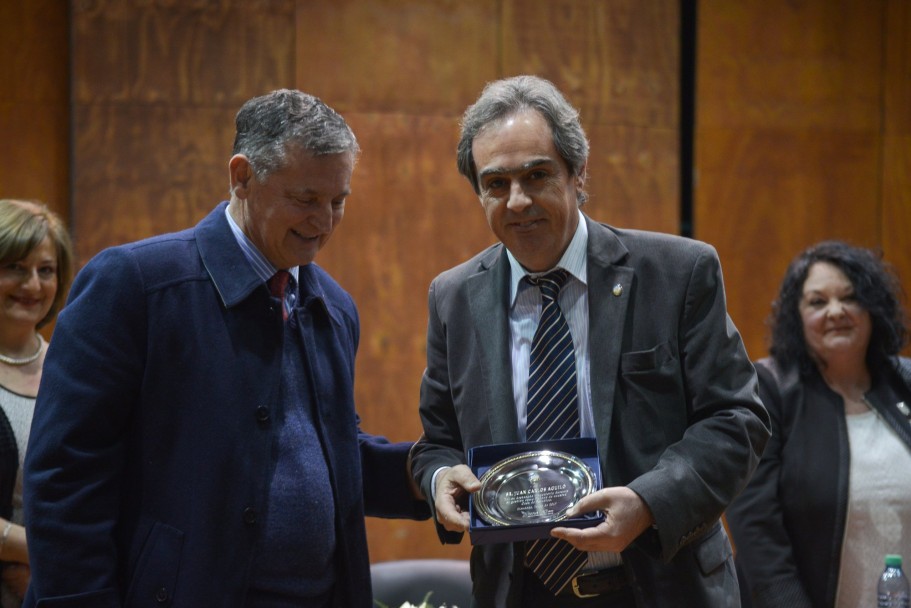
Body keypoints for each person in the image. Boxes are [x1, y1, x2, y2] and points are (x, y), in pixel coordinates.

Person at [22, 89, 429, 608]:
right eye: (305, 199)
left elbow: (330, 454)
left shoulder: (333, 306)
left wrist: (429, 475)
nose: (324, 222)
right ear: (242, 177)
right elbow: (65, 479)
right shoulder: (134, 285)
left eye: (338, 201)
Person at [410, 74, 771, 608]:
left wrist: (649, 502)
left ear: (579, 174)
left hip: (658, 585)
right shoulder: (453, 297)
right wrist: (439, 476)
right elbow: (436, 440)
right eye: (496, 183)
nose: (517, 201)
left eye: (537, 175)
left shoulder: (677, 273)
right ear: (477, 191)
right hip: (518, 592)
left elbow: (737, 419)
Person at [726, 240, 911, 608]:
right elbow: (755, 529)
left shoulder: (905, 381)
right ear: (797, 317)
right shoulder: (770, 388)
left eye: (850, 297)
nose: (836, 311)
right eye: (817, 302)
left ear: (872, 307)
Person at [0, 199, 74, 606]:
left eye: (45, 270)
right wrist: (42, 550)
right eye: (15, 267)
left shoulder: (75, 366)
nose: (32, 285)